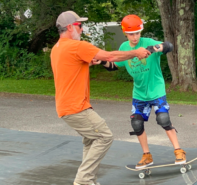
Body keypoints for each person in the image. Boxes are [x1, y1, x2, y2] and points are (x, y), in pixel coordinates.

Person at [50, 11, 151, 185]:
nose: (82, 29)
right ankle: (83, 181)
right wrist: (135, 53)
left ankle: (89, 181)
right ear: (69, 27)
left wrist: (87, 62)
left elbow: (70, 66)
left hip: (65, 107)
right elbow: (110, 57)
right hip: (76, 107)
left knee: (91, 141)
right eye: (79, 26)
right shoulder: (77, 46)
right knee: (104, 136)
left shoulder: (57, 48)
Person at [96, 14, 187, 169]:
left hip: (156, 90)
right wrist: (102, 62)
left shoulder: (148, 42)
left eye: (137, 33)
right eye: (131, 34)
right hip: (139, 94)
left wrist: (155, 48)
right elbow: (114, 66)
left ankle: (179, 151)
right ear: (125, 33)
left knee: (163, 119)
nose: (135, 37)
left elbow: (169, 46)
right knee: (136, 124)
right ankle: (147, 156)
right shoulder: (124, 48)